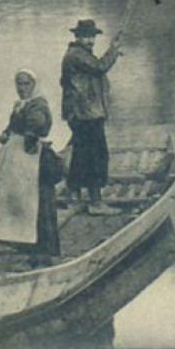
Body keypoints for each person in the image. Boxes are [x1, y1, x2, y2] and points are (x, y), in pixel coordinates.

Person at [0, 69, 62, 257]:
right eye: (19, 83)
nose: (21, 88)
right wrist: (6, 133)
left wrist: (29, 137)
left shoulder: (37, 105)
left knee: (38, 205)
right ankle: (30, 248)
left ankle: (44, 253)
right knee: (25, 204)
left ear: (34, 85)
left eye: (26, 84)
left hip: (34, 161)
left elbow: (39, 125)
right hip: (20, 163)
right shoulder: (21, 105)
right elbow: (13, 126)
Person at [60, 18, 121, 216]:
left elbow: (96, 69)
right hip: (85, 114)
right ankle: (95, 202)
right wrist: (113, 50)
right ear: (77, 37)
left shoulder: (79, 54)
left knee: (81, 155)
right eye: (86, 36)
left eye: (92, 36)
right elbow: (100, 67)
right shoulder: (76, 55)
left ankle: (73, 195)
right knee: (97, 155)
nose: (90, 41)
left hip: (84, 113)